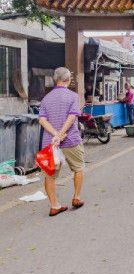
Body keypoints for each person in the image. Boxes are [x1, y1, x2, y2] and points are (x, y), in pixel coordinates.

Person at [38, 67, 85, 217]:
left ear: (55, 80)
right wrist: (61, 134)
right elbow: (72, 118)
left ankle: (54, 205)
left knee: (49, 175)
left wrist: (55, 135)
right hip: (70, 140)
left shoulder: (46, 98)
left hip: (50, 142)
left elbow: (42, 120)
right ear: (68, 80)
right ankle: (76, 197)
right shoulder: (73, 96)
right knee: (78, 168)